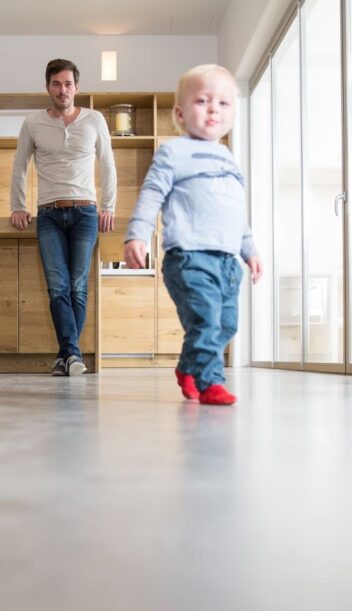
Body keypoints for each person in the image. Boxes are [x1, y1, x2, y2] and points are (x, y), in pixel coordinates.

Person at [123, 64, 263, 406]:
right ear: (181, 114)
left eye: (224, 102)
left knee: (226, 325)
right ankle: (210, 382)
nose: (214, 108)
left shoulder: (229, 158)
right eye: (203, 100)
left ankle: (188, 367)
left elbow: (235, 211)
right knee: (204, 320)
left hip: (227, 262)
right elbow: (151, 193)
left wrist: (250, 250)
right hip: (189, 257)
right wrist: (136, 234)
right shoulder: (174, 152)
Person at [10, 58, 116, 377]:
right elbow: (20, 166)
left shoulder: (95, 120)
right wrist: (18, 205)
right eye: (56, 83)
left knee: (78, 286)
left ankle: (66, 355)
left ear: (76, 88)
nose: (63, 89)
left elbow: (108, 163)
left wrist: (108, 205)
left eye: (68, 83)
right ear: (48, 87)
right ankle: (71, 354)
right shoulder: (32, 123)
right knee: (58, 287)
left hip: (85, 211)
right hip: (49, 215)